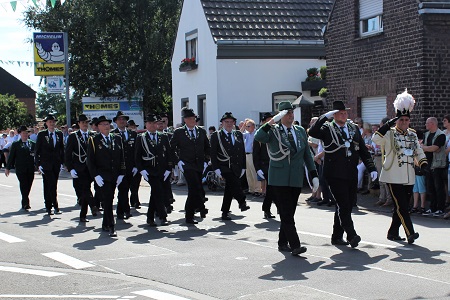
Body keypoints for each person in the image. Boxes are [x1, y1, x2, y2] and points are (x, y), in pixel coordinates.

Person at [308, 100, 377, 248]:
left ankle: (336, 236)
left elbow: (362, 150)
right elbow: (312, 132)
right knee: (343, 204)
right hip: (334, 173)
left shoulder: (352, 127)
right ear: (334, 115)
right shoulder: (327, 127)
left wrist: (372, 168)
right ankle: (351, 234)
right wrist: (324, 117)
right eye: (341, 113)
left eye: (346, 112)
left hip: (350, 171)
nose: (344, 115)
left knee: (345, 205)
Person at [255, 102, 318, 256]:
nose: (290, 115)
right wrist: (272, 122)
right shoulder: (273, 131)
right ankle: (295, 245)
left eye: (291, 112)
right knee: (285, 213)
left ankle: (282, 242)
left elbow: (307, 155)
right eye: (287, 113)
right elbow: (259, 136)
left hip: (295, 177)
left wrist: (314, 174)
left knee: (289, 212)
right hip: (279, 178)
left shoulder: (300, 131)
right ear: (281, 115)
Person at [372, 89, 427, 244]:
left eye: (406, 120)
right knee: (402, 206)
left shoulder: (412, 134)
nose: (403, 123)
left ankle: (392, 232)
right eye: (401, 120)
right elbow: (375, 139)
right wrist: (386, 125)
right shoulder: (389, 133)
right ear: (396, 120)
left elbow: (418, 151)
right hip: (393, 175)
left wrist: (423, 164)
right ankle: (410, 232)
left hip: (409, 175)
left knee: (400, 206)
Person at [87, 116, 125, 237]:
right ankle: (111, 226)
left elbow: (122, 157)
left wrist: (122, 173)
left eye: (107, 124)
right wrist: (95, 176)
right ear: (98, 127)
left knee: (110, 199)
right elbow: (90, 161)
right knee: (108, 201)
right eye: (103, 124)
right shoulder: (94, 140)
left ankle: (104, 224)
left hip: (114, 174)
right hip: (102, 176)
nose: (106, 126)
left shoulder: (117, 138)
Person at [170, 107, 210, 224]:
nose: (193, 120)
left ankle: (200, 207)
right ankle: (190, 215)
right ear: (185, 120)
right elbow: (171, 148)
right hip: (186, 164)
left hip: (199, 164)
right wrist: (178, 161)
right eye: (190, 118)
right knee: (193, 188)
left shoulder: (201, 131)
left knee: (198, 188)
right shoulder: (179, 132)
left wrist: (206, 160)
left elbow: (207, 147)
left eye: (194, 118)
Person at [211, 112, 250, 221]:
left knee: (229, 189)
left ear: (234, 123)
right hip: (224, 165)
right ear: (222, 123)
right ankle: (242, 201)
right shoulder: (216, 135)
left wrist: (243, 167)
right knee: (235, 183)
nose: (229, 124)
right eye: (226, 122)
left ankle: (225, 212)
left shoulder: (238, 134)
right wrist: (216, 168)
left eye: (231, 122)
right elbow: (213, 153)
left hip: (236, 166)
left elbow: (242, 151)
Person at [135, 113, 172, 226]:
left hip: (162, 170)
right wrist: (141, 170)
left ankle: (150, 217)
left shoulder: (163, 137)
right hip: (149, 170)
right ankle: (163, 216)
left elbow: (169, 153)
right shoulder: (141, 138)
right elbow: (137, 156)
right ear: (146, 124)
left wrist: (169, 168)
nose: (152, 125)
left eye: (154, 123)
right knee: (159, 191)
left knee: (155, 193)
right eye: (149, 123)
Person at [65, 114, 97, 222]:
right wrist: (71, 168)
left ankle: (83, 215)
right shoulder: (73, 136)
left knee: (85, 192)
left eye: (86, 123)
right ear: (79, 124)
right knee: (85, 188)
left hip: (91, 167)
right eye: (83, 122)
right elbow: (68, 153)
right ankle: (93, 206)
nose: (85, 125)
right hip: (79, 167)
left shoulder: (93, 135)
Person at [35, 114, 65, 215]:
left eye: (53, 122)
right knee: (49, 184)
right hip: (45, 164)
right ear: (46, 123)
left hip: (56, 164)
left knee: (53, 184)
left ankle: (50, 205)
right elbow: (37, 150)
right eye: (50, 122)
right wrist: (38, 164)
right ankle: (52, 206)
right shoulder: (42, 134)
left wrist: (62, 162)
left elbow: (61, 149)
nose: (52, 124)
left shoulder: (59, 134)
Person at [111, 111, 137, 219]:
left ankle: (122, 210)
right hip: (119, 167)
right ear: (116, 122)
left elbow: (136, 151)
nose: (122, 121)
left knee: (128, 189)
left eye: (123, 119)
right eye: (119, 119)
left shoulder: (133, 134)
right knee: (123, 189)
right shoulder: (112, 134)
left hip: (131, 167)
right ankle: (124, 210)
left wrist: (136, 166)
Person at [420, 117, 446, 217]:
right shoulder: (426, 134)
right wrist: (427, 148)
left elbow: (435, 148)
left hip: (438, 165)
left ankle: (440, 208)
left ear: (432, 124)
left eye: (427, 123)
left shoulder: (441, 135)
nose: (425, 125)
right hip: (428, 164)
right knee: (430, 187)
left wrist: (425, 148)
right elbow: (426, 148)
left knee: (438, 187)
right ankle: (432, 207)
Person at [5, 125, 35, 210]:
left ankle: (25, 199)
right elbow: (11, 157)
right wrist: (8, 168)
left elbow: (37, 154)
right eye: (23, 133)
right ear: (20, 134)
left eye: (26, 133)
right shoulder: (16, 144)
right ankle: (25, 203)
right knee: (23, 184)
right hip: (20, 168)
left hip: (30, 168)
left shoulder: (32, 143)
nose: (25, 134)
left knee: (29, 184)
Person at [253, 112, 276, 218]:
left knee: (275, 188)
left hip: (276, 163)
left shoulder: (276, 133)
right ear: (263, 122)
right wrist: (257, 168)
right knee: (271, 188)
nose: (271, 122)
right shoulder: (259, 135)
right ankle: (267, 209)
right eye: (268, 120)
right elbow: (256, 154)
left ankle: (270, 208)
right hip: (265, 165)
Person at [241, 119, 262, 196]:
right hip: (246, 154)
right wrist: (243, 126)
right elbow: (239, 134)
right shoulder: (247, 134)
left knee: (254, 172)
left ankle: (257, 189)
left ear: (253, 126)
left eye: (248, 126)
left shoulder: (256, 133)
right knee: (248, 173)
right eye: (246, 126)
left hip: (253, 154)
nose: (247, 128)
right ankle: (251, 189)